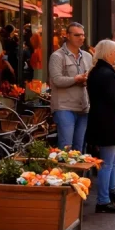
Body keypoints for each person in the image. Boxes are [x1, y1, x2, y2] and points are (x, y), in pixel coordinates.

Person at [86, 39, 115, 215]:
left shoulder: (100, 71)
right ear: (109, 53)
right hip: (107, 122)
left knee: (112, 161)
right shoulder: (106, 73)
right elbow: (112, 98)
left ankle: (110, 193)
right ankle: (103, 200)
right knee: (108, 163)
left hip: (106, 121)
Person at [48, 21, 93, 151]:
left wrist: (86, 80)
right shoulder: (57, 56)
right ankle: (64, 171)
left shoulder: (87, 56)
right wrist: (76, 79)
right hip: (64, 107)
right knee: (66, 148)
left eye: (83, 35)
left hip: (83, 107)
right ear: (67, 36)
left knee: (79, 148)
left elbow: (90, 77)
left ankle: (77, 172)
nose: (81, 38)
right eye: (77, 35)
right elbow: (56, 80)